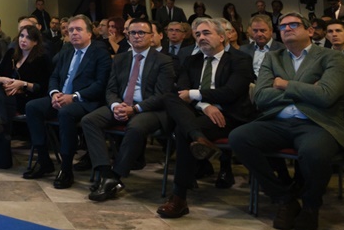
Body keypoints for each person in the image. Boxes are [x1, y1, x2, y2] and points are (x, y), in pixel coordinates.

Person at [229, 12, 344, 230]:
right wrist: (308, 89)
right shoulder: (273, 57)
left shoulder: (331, 57)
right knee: (239, 138)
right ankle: (284, 198)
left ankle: (311, 205)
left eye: (293, 24)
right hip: (278, 121)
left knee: (314, 153)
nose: (287, 29)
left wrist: (284, 84)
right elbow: (260, 97)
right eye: (283, 26)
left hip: (317, 122)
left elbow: (326, 96)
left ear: (310, 31)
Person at [157, 17, 256, 217]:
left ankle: (179, 197)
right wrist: (206, 105)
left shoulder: (240, 60)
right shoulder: (192, 60)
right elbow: (180, 91)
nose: (201, 38)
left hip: (229, 116)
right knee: (169, 97)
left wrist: (195, 96)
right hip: (200, 113)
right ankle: (198, 138)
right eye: (198, 34)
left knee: (180, 129)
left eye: (206, 33)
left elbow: (230, 92)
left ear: (222, 36)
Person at [83, 18, 176, 202]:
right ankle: (104, 172)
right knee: (89, 120)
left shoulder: (164, 60)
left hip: (150, 109)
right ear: (127, 36)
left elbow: (162, 95)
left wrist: (135, 109)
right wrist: (116, 105)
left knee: (135, 126)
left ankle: (115, 176)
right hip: (122, 104)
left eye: (142, 32)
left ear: (151, 36)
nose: (137, 36)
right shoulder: (120, 58)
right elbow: (110, 89)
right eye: (133, 33)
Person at [22, 15, 111, 188]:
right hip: (62, 96)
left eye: (78, 29)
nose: (74, 33)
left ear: (90, 33)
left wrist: (74, 97)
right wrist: (55, 93)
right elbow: (54, 76)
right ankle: (43, 160)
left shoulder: (100, 53)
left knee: (66, 113)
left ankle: (66, 167)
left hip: (86, 101)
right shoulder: (66, 52)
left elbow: (100, 85)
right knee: (32, 107)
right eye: (71, 30)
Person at [0, 24, 52, 170]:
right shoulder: (11, 53)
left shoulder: (41, 59)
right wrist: (2, 80)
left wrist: (22, 84)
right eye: (21, 36)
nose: (23, 40)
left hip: (24, 99)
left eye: (28, 37)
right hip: (5, 97)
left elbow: (42, 88)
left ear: (36, 42)